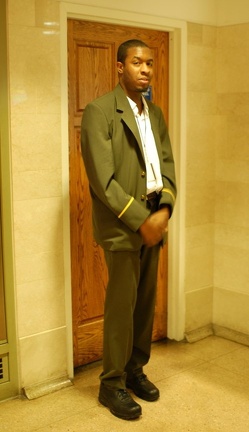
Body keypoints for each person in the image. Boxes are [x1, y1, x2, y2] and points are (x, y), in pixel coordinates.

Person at [81, 39, 177, 420]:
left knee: (144, 303)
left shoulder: (155, 113)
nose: (145, 69)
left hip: (155, 219)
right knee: (121, 307)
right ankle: (111, 384)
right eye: (137, 62)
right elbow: (103, 182)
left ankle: (135, 369)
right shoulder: (99, 111)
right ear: (119, 67)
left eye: (150, 63)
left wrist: (165, 208)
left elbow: (166, 165)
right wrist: (143, 220)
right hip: (125, 223)